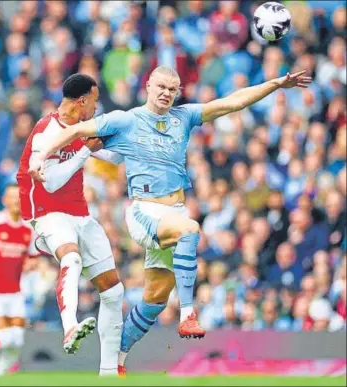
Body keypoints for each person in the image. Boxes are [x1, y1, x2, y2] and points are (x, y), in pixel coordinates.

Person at [29, 65, 312, 374]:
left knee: (154, 300)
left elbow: (233, 102)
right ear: (148, 85)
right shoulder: (126, 120)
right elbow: (73, 130)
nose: (166, 93)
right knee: (191, 231)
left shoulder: (184, 117)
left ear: (178, 92)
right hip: (144, 212)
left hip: (173, 212)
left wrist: (275, 82)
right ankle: (188, 314)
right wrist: (38, 158)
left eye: (172, 89)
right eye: (161, 86)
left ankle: (115, 364)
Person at [16, 74, 125, 376]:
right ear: (83, 101)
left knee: (114, 292)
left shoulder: (82, 128)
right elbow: (50, 184)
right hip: (46, 213)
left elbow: (113, 157)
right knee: (72, 257)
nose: (96, 105)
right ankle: (69, 327)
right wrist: (85, 152)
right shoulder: (45, 132)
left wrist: (130, 139)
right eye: (95, 99)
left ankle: (108, 374)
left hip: (79, 214)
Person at [0, 184, 40, 377]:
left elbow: (33, 255)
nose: (16, 200)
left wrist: (31, 264)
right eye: (11, 196)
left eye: (19, 196)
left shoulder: (28, 228)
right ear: (4, 200)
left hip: (15, 292)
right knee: (6, 337)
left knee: (17, 342)